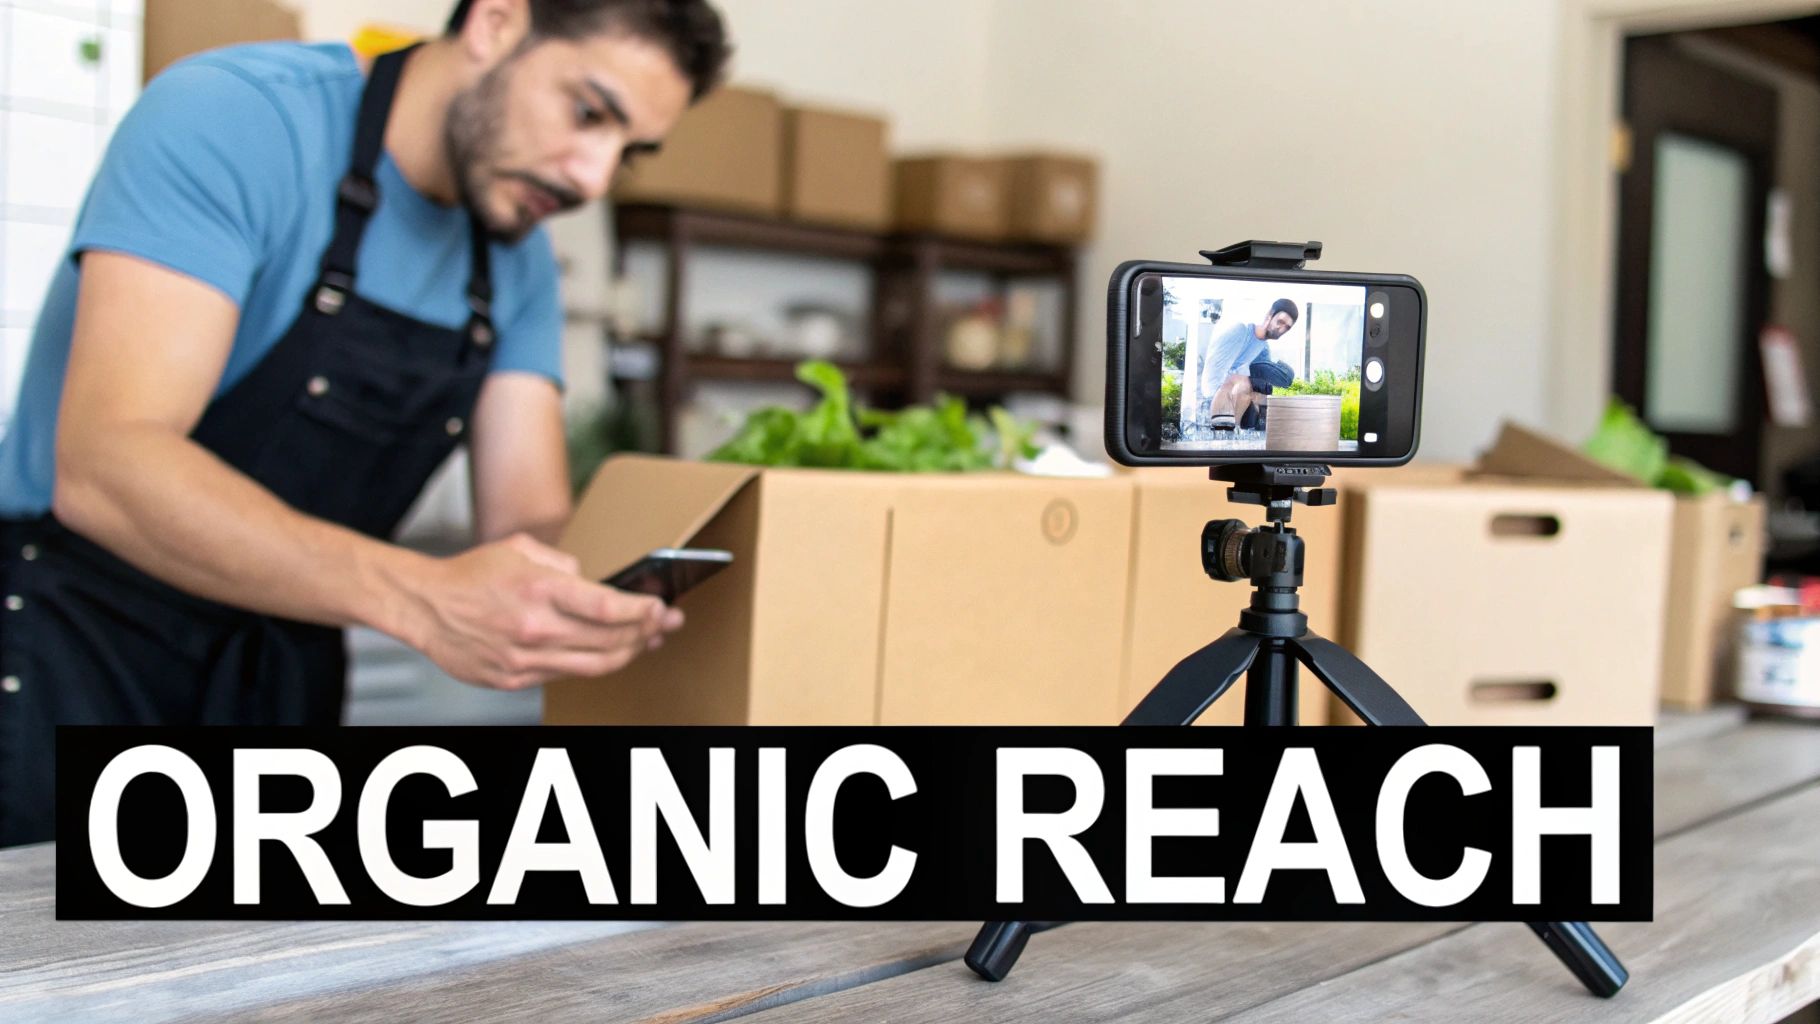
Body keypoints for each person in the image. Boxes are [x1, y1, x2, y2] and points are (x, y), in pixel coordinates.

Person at [0, 0, 731, 846]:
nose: (592, 178)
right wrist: (421, 600)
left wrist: (606, 598)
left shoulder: (515, 256)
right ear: (496, 23)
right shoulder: (236, 118)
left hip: (282, 673)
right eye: (587, 112)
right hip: (75, 650)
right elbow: (107, 465)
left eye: (627, 150)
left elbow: (529, 519)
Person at [1197, 298, 1298, 431]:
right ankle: (1229, 435)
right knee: (1245, 383)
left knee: (1266, 388)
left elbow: (1262, 391)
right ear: (1269, 315)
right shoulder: (1240, 331)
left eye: (1287, 327)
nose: (1282, 329)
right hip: (1209, 397)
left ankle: (1246, 436)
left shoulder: (1263, 348)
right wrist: (1245, 382)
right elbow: (1210, 382)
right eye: (1280, 322)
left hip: (1233, 398)